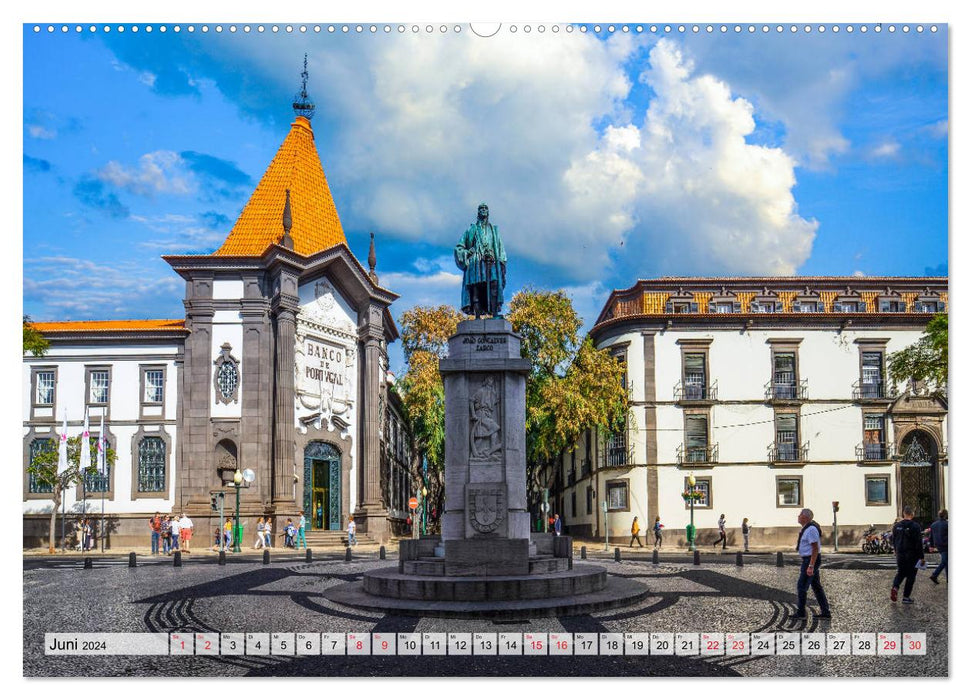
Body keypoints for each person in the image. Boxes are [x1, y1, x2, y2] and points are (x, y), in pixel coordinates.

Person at [454, 203, 507, 318]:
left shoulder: (494, 230)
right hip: (475, 262)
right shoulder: (471, 230)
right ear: (478, 212)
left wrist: (502, 262)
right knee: (476, 288)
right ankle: (477, 316)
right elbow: (459, 247)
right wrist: (467, 253)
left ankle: (494, 314)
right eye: (481, 209)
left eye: (485, 208)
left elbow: (500, 247)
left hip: (491, 262)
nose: (483, 210)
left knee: (494, 285)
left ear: (488, 212)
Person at [791, 508, 832, 620]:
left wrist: (811, 566)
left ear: (805, 517)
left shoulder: (811, 529)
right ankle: (825, 612)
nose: (798, 516)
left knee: (802, 586)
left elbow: (815, 548)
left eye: (800, 515)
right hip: (809, 559)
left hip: (810, 560)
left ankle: (801, 613)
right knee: (816, 587)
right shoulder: (807, 528)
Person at [891, 505, 925, 603]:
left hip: (900, 554)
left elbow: (894, 540)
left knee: (901, 572)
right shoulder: (915, 526)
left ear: (904, 513)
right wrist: (921, 557)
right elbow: (918, 543)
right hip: (912, 554)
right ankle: (906, 597)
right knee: (911, 576)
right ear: (912, 514)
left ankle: (895, 587)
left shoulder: (896, 526)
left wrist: (896, 550)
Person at [929, 508, 948, 584]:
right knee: (945, 561)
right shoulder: (947, 524)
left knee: (946, 561)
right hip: (946, 545)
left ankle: (947, 578)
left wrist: (931, 546)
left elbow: (931, 537)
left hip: (939, 546)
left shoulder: (933, 525)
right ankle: (934, 575)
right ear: (945, 515)